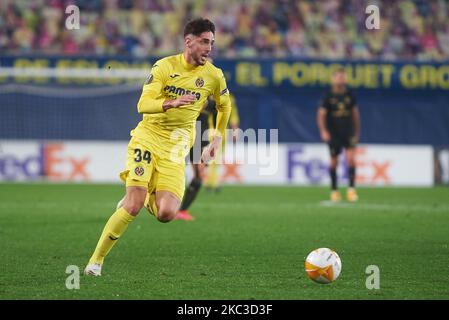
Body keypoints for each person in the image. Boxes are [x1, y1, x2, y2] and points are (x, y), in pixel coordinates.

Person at [84, 18, 231, 276]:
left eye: (212, 43)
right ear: (189, 41)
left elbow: (224, 105)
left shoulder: (214, 75)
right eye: (205, 42)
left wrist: (217, 137)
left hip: (176, 147)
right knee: (132, 205)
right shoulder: (164, 67)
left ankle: (143, 194)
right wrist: (169, 103)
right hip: (148, 137)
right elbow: (143, 104)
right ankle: (95, 262)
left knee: (167, 213)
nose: (209, 48)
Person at [176, 94, 239, 221]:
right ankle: (166, 203)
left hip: (200, 140)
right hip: (181, 137)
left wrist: (214, 142)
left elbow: (219, 121)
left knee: (198, 176)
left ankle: (182, 210)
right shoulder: (189, 94)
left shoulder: (214, 102)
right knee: (175, 171)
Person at [317, 68, 360, 202]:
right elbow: (321, 115)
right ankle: (334, 190)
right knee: (334, 161)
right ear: (333, 79)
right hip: (334, 133)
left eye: (343, 77)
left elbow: (355, 114)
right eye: (339, 77)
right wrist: (323, 131)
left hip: (348, 131)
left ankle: (351, 190)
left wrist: (357, 131)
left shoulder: (350, 95)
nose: (341, 79)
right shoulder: (328, 96)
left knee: (351, 159)